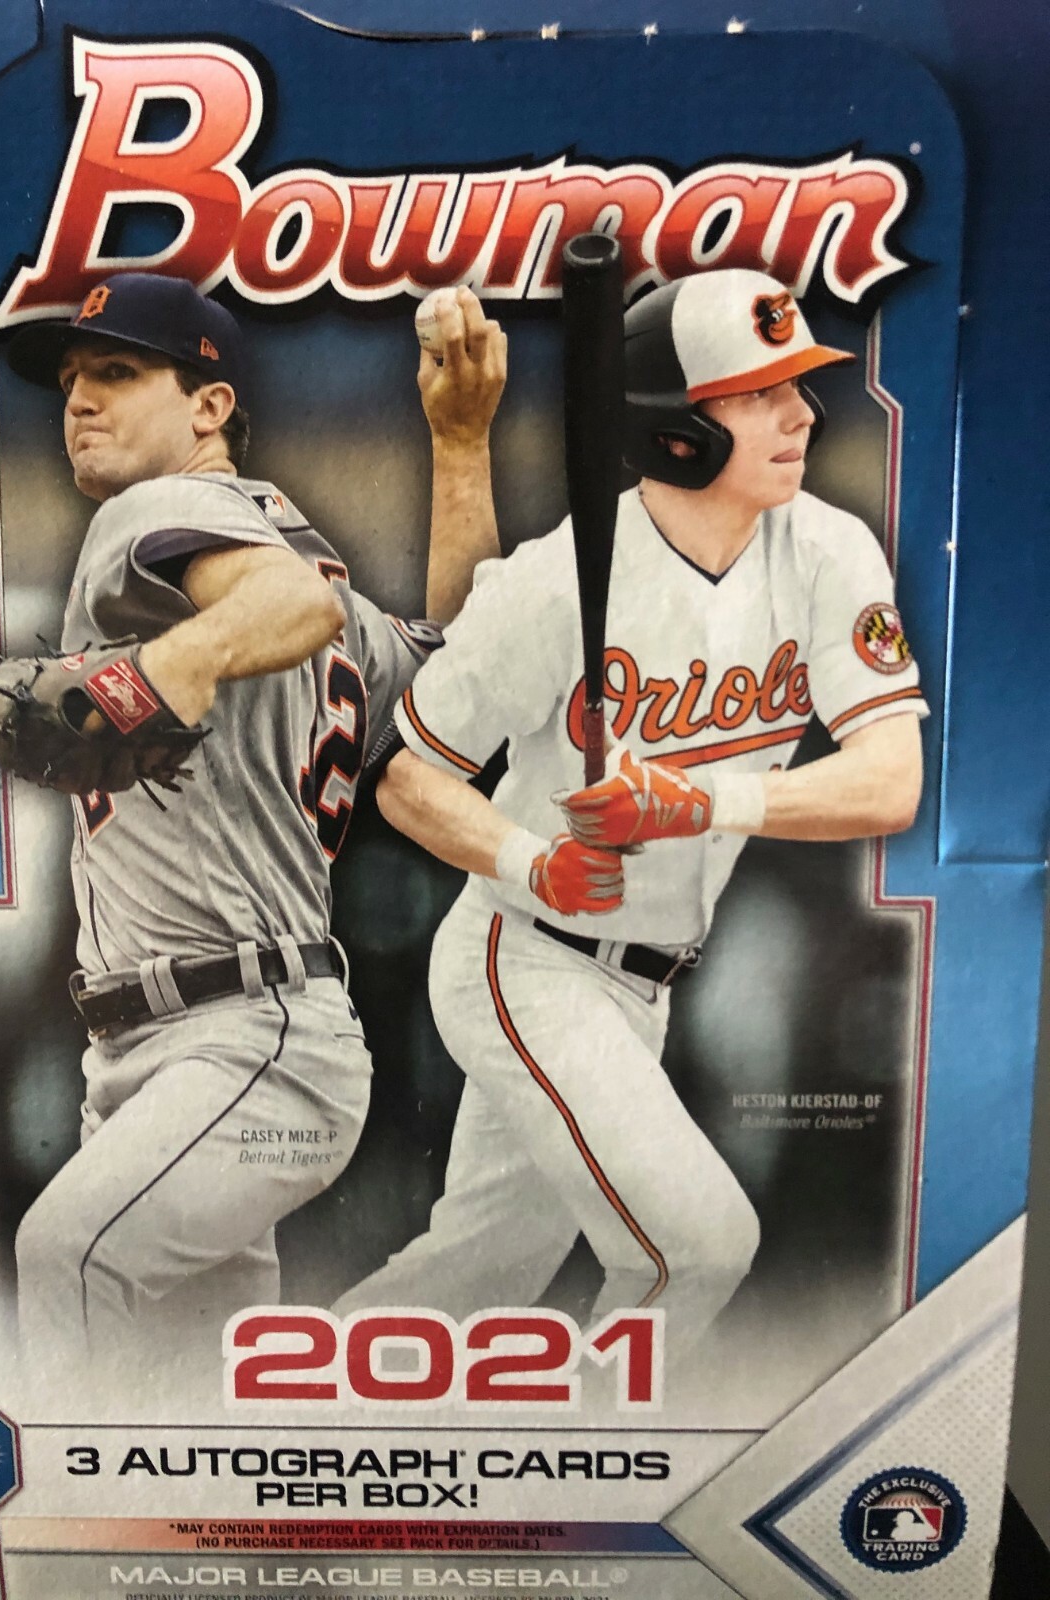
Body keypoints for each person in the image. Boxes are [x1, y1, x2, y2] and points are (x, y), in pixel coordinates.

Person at [335, 268, 926, 1358]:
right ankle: (592, 1448)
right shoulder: (559, 581)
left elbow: (890, 780)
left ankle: (282, 1408)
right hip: (529, 955)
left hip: (647, 980)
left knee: (476, 1273)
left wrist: (699, 800)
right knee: (700, 1244)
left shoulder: (828, 550)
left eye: (799, 385)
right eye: (760, 393)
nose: (804, 413)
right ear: (676, 433)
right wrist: (534, 860)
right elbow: (408, 778)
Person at [0, 270, 506, 1407]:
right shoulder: (316, 573)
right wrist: (462, 445)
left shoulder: (149, 517)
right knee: (193, 1411)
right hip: (204, 1052)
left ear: (210, 406)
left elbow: (294, 610)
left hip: (242, 1042)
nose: (79, 401)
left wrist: (165, 665)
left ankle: (67, 1531)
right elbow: (468, 677)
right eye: (71, 380)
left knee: (68, 1257)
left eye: (117, 372)